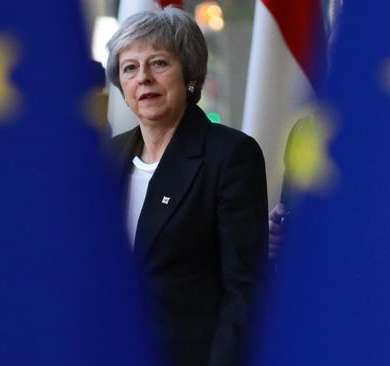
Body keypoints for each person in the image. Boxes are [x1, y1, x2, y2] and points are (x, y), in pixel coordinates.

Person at [105, 7, 268, 366]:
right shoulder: (107, 156)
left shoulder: (230, 155)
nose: (143, 78)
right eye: (130, 68)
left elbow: (244, 290)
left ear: (190, 75)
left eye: (159, 63)